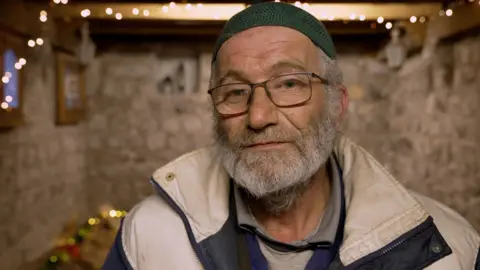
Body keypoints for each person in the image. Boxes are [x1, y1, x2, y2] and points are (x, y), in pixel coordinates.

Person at [102, 2, 480, 269]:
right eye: (235, 91)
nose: (259, 115)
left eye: (288, 84)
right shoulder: (148, 237)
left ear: (336, 103)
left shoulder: (446, 248)